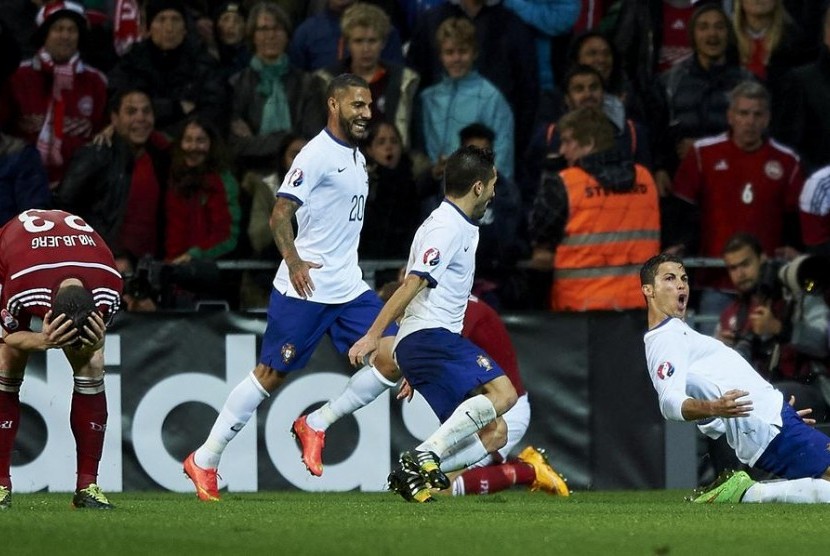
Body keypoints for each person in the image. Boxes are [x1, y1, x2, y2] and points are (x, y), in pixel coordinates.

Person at [183, 74, 403, 502]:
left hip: (349, 287)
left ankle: (315, 424)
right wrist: (295, 261)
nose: (366, 113)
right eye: (358, 105)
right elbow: (279, 214)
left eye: (369, 105)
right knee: (270, 376)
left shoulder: (357, 157)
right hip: (305, 288)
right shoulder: (315, 155)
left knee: (397, 357)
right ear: (334, 105)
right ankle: (205, 459)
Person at [348, 145, 518, 503]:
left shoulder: (457, 224)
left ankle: (416, 474)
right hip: (431, 337)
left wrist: (414, 362)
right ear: (477, 187)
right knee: (504, 395)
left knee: (496, 434)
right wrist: (373, 336)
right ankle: (425, 455)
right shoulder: (447, 227)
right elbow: (412, 284)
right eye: (492, 185)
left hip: (425, 345)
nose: (494, 193)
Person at [640, 253, 830, 503]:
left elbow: (710, 395)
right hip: (770, 423)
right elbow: (669, 403)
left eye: (684, 278)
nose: (681, 284)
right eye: (670, 278)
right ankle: (747, 493)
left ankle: (745, 491)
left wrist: (768, 408)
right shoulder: (664, 339)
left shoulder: (678, 333)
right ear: (649, 290)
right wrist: (717, 408)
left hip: (772, 418)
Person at [0, 208, 123, 510]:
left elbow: (98, 337)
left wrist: (94, 340)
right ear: (48, 314)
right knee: (8, 358)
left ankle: (87, 486)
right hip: (16, 251)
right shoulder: (22, 288)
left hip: (68, 253)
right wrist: (42, 339)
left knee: (92, 361)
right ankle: (0, 483)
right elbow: (5, 336)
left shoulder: (110, 285)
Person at [529, 106, 660, 311]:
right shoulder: (646, 179)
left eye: (567, 141)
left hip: (581, 310)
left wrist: (549, 174)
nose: (562, 150)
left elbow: (540, 234)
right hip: (640, 307)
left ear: (588, 144)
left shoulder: (565, 183)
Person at [56, 88, 170, 287]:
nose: (141, 118)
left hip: (149, 267)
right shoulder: (96, 155)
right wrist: (109, 255)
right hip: (106, 266)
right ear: (114, 118)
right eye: (131, 112)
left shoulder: (160, 156)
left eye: (146, 111)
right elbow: (65, 211)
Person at [0, 1, 108, 190]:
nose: (65, 36)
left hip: (79, 191)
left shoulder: (96, 82)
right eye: (58, 29)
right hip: (20, 186)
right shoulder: (17, 77)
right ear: (44, 34)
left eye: (72, 30)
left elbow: (103, 132)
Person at [228, 1, 324, 176]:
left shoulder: (308, 84)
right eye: (263, 29)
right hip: (250, 174)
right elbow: (236, 145)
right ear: (252, 36)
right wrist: (288, 139)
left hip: (301, 173)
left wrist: (258, 142)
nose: (271, 35)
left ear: (287, 35)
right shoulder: (236, 84)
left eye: (277, 28)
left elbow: (313, 141)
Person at [106, 0, 228, 137]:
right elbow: (120, 104)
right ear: (149, 29)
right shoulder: (132, 62)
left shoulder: (204, 62)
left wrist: (168, 135)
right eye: (161, 20)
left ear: (185, 29)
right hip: (141, 139)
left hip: (188, 142)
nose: (169, 28)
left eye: (176, 20)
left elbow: (215, 109)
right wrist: (174, 108)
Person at [415, 17, 515, 180]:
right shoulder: (428, 99)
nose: (456, 59)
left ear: (474, 53)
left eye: (462, 51)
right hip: (439, 191)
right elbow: (427, 153)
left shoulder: (491, 97)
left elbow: (503, 154)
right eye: (449, 52)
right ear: (440, 55)